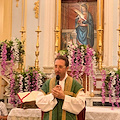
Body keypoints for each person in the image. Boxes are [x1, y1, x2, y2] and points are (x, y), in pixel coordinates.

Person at [36, 55, 85, 120]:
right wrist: (52, 96)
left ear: (67, 68)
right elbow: (39, 102)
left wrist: (64, 97)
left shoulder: (75, 84)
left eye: (60, 67)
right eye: (56, 66)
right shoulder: (48, 83)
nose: (57, 69)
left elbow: (80, 104)